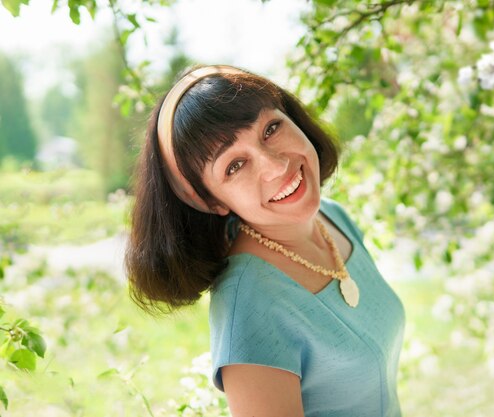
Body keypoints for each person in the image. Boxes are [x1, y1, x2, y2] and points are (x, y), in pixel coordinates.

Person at [125, 64, 406, 417]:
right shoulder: (250, 306)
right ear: (212, 202)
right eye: (235, 165)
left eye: (270, 128)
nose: (275, 166)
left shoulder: (332, 217)